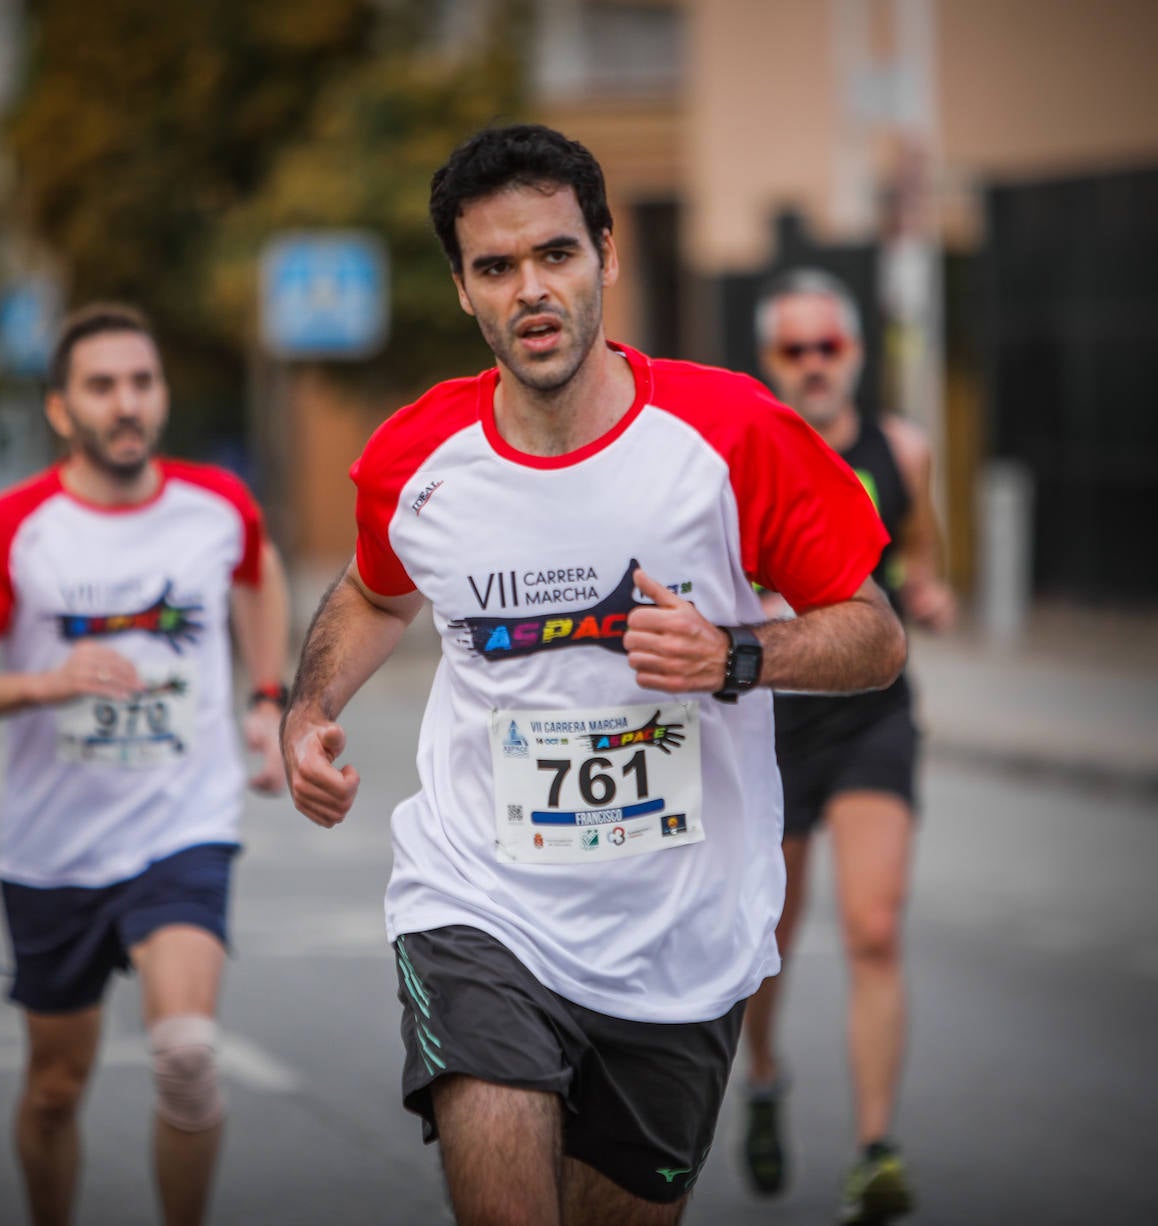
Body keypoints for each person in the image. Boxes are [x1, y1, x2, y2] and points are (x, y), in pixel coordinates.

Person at [281, 123, 906, 1226]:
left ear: (607, 255)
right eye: (495, 266)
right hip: (481, 901)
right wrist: (308, 710)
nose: (532, 289)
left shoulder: (734, 433)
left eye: (556, 254)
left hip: (677, 931)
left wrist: (735, 654)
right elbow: (377, 591)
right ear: (464, 290)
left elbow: (873, 631)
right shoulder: (417, 461)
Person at [0, 303, 290, 1226]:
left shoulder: (215, 505)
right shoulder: (14, 528)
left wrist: (268, 699)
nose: (127, 404)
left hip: (182, 827)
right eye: (103, 386)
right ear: (60, 409)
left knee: (188, 1056)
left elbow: (258, 570)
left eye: (143, 383)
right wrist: (43, 684)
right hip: (55, 848)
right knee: (53, 1088)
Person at [739, 268, 956, 1224]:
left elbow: (921, 555)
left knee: (874, 926)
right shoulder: (743, 457)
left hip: (873, 709)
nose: (816, 366)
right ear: (770, 361)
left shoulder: (901, 449)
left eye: (829, 347)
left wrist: (930, 595)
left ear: (856, 351)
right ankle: (766, 1078)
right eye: (796, 349)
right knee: (768, 947)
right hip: (774, 722)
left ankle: (876, 1149)